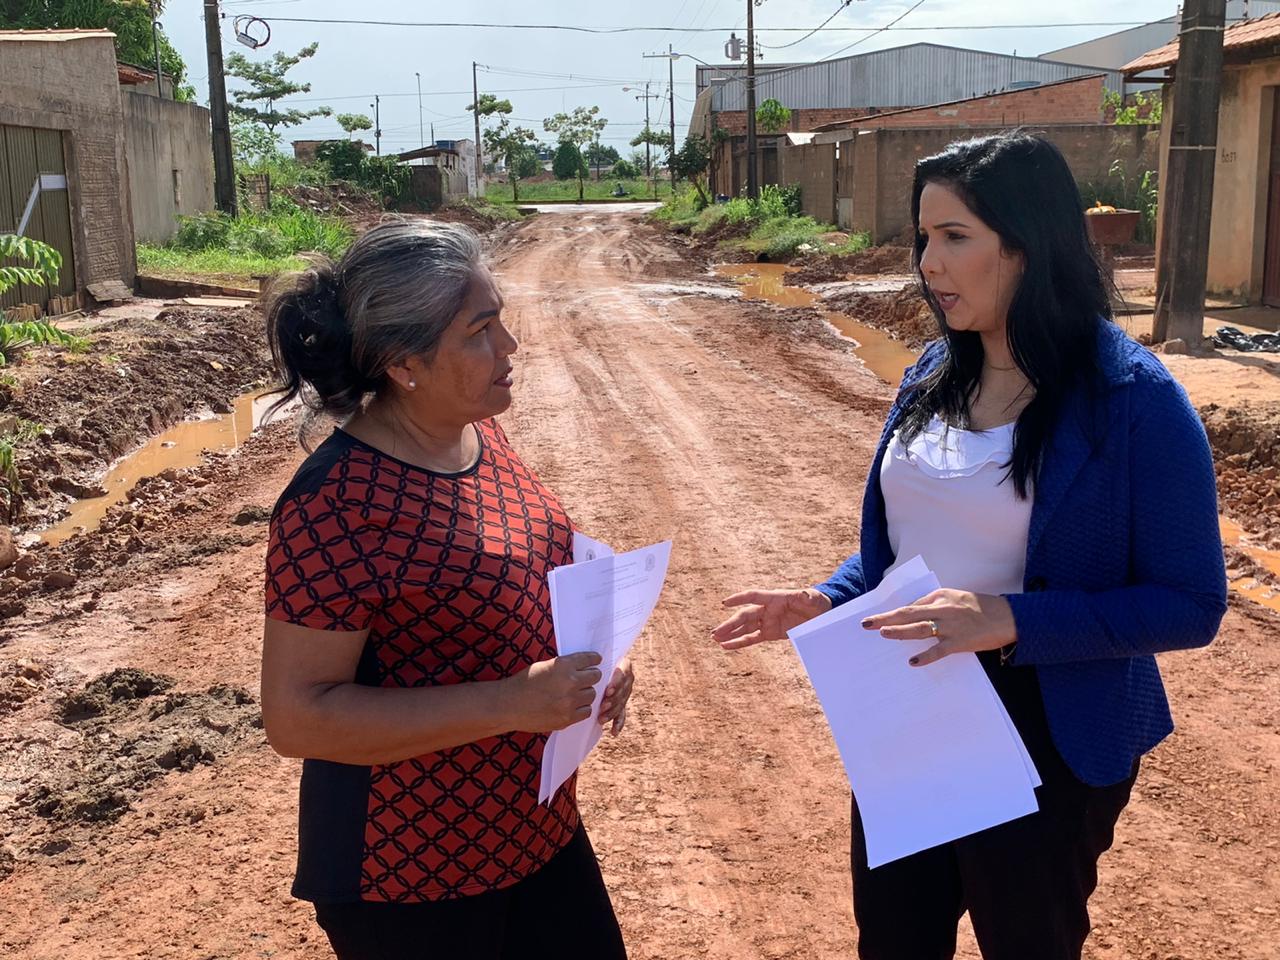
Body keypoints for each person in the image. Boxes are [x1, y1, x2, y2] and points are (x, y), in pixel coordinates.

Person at [712, 132, 1227, 960]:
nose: (929, 263)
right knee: (894, 936)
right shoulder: (928, 375)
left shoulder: (1132, 400)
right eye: (925, 237)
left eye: (956, 237)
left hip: (1045, 726)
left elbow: (1193, 603)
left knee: (1028, 939)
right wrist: (827, 598)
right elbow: (905, 549)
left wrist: (1011, 619)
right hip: (910, 703)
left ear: (1028, 244)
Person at [259, 220, 631, 960]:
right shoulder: (335, 503)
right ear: (404, 364)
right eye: (480, 331)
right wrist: (513, 702)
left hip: (536, 833)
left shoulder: (477, 437)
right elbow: (296, 719)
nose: (510, 349)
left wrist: (593, 669)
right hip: (410, 877)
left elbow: (512, 590)